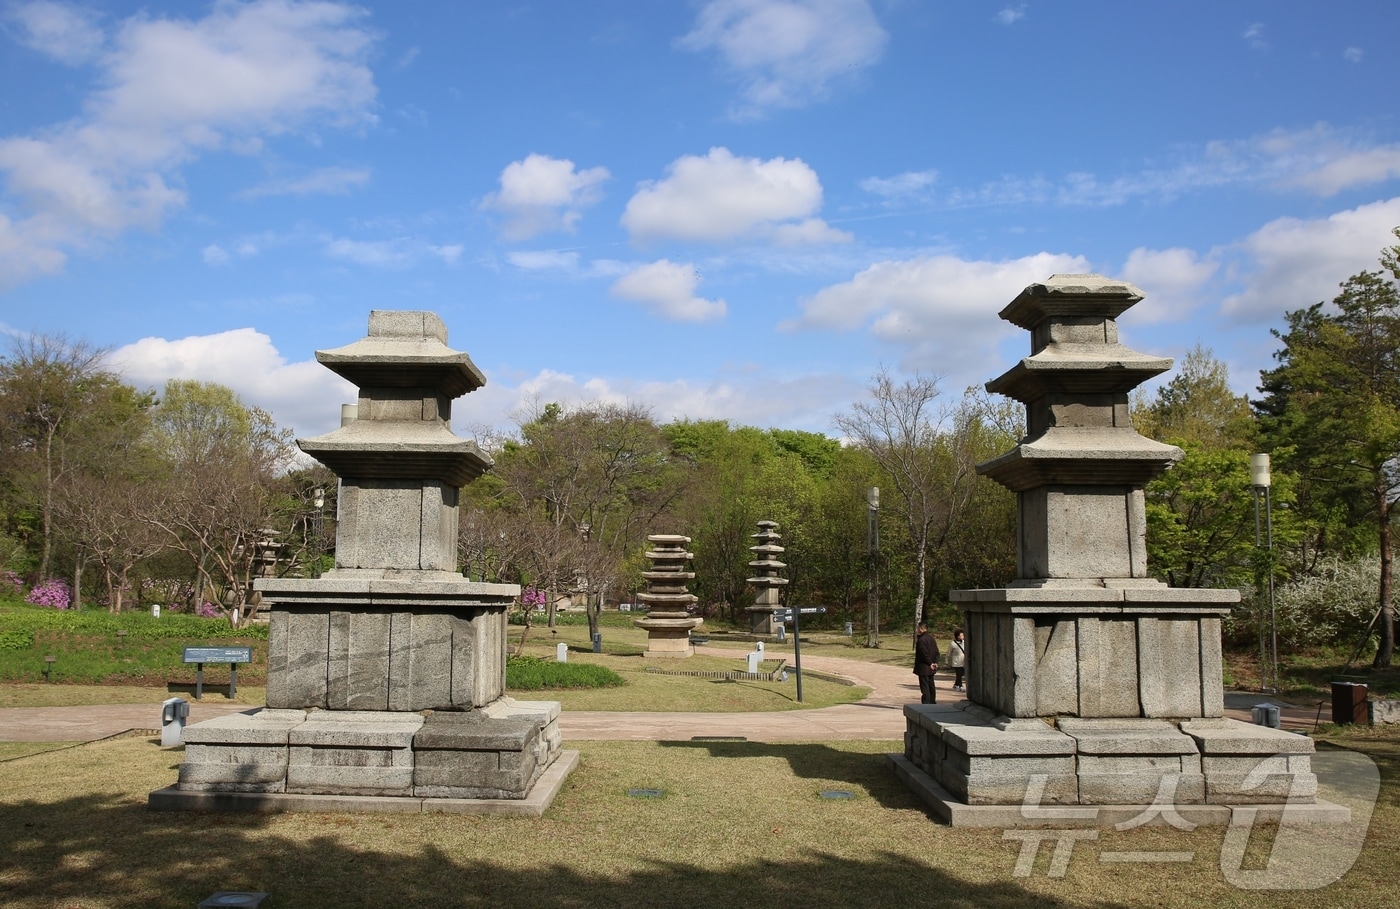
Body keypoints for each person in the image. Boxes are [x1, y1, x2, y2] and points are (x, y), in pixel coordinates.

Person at [913, 621, 940, 704]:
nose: (917, 630)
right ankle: (932, 701)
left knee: (925, 686)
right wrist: (935, 662)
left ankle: (926, 702)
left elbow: (923, 653)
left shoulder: (922, 640)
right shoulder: (931, 638)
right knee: (931, 684)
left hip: (924, 667)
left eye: (918, 628)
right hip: (931, 666)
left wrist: (930, 663)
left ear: (921, 629)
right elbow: (936, 651)